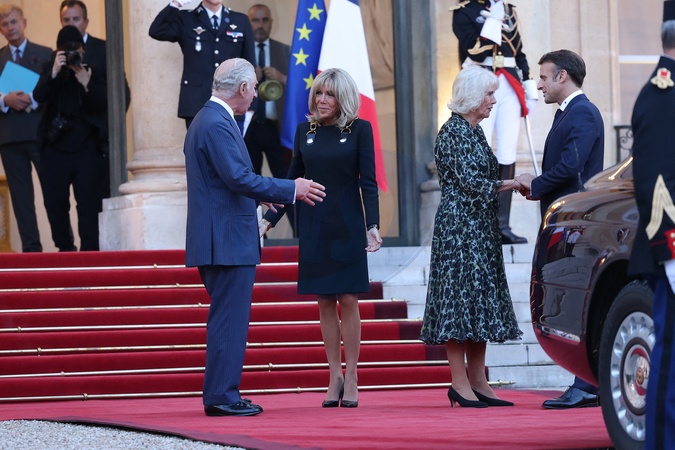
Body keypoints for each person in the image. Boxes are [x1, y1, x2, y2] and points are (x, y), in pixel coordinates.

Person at [184, 57, 325, 417]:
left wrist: (260, 196)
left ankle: (224, 392)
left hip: (222, 236)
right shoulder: (216, 122)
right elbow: (237, 178)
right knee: (230, 320)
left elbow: (224, 181)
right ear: (244, 88)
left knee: (228, 319)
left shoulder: (209, 118)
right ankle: (222, 396)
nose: (255, 97)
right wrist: (291, 189)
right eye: (253, 90)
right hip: (227, 240)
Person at [259, 68, 382, 408]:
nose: (322, 100)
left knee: (348, 298)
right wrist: (269, 220)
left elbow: (368, 182)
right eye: (318, 93)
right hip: (314, 223)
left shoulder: (360, 129)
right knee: (324, 300)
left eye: (329, 94)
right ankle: (335, 375)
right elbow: (291, 181)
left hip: (347, 224)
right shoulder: (305, 131)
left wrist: (372, 224)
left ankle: (353, 374)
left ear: (343, 98)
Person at [419, 64, 522, 408]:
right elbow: (471, 183)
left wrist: (507, 184)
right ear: (473, 96)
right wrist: (513, 183)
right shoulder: (452, 132)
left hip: (481, 228)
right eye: (489, 94)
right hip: (458, 229)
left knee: (478, 302)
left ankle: (479, 381)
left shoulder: (475, 131)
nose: (493, 100)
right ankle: (459, 382)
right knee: (457, 302)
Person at [515, 49, 604, 409]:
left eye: (543, 77)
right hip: (565, 222)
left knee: (575, 303)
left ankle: (586, 385)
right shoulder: (567, 113)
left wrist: (535, 184)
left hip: (574, 225)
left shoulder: (582, 112)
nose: (539, 85)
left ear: (562, 76)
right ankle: (587, 383)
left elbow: (571, 166)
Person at [452, 0, 539, 244]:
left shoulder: (509, 9)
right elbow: (474, 50)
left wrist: (529, 85)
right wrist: (491, 21)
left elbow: (518, 51)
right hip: (479, 82)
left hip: (509, 83)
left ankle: (502, 225)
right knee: (479, 149)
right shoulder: (464, 11)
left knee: (507, 151)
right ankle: (479, 222)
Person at [628, 1, 675, 447]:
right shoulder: (663, 92)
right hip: (673, 249)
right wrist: (671, 251)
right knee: (671, 366)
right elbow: (655, 182)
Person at [33, 25, 107, 252]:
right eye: (66, 50)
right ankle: (65, 251)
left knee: (89, 205)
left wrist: (87, 83)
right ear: (58, 52)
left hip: (87, 149)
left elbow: (104, 105)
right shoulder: (50, 69)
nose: (73, 54)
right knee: (55, 205)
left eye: (77, 50)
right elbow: (38, 95)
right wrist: (54, 72)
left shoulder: (93, 72)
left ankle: (90, 253)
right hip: (55, 149)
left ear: (83, 50)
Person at [59, 0, 131, 199]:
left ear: (86, 21)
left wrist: (109, 126)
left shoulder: (103, 48)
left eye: (76, 19)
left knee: (99, 200)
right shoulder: (58, 55)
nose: (71, 24)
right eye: (66, 20)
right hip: (67, 143)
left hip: (98, 140)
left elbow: (122, 94)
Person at [149, 0, 255, 128]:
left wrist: (251, 106)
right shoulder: (186, 18)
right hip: (197, 102)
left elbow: (249, 66)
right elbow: (156, 30)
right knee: (199, 141)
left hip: (232, 102)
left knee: (228, 141)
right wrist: (177, 3)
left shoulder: (240, 20)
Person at [0, 5, 52, 252]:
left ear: (24, 23)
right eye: (5, 24)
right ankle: (32, 251)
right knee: (21, 199)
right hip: (9, 137)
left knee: (53, 192)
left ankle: (63, 244)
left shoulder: (45, 53)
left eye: (14, 22)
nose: (10, 28)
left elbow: (53, 91)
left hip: (40, 134)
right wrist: (5, 100)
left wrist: (32, 99)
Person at [244, 4, 291, 179]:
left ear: (271, 22)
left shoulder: (286, 51)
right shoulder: (240, 50)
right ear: (248, 23)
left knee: (285, 177)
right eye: (255, 20)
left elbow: (301, 88)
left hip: (277, 127)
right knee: (250, 179)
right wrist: (249, 78)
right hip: (249, 126)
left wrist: (282, 78)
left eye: (264, 20)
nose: (260, 25)